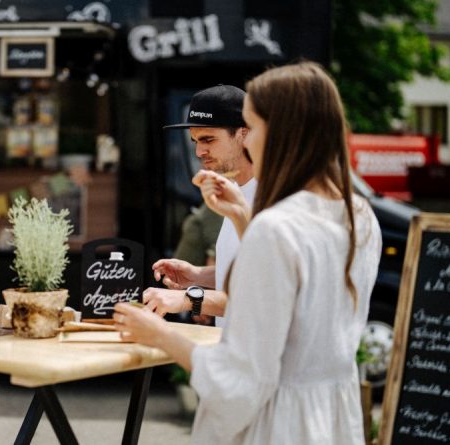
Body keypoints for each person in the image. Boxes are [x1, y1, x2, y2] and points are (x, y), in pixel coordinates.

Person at [113, 62, 382, 444]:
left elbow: (241, 379)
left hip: (276, 425)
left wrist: (160, 334)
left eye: (253, 126)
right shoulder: (358, 214)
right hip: (333, 417)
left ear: (281, 133)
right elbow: (295, 301)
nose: (249, 141)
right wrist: (240, 220)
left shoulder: (277, 226)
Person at [145, 85, 257, 325]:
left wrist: (190, 298)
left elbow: (264, 293)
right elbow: (249, 274)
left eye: (208, 139)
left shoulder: (272, 196)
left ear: (243, 134)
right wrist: (197, 275)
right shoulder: (235, 191)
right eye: (195, 141)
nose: (198, 151)